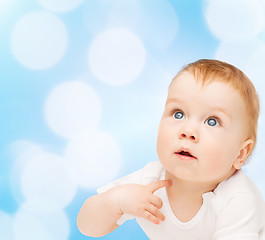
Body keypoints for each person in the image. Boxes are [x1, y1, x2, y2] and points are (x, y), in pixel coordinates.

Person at [77, 59, 265, 239]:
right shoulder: (150, 180)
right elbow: (86, 226)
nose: (188, 131)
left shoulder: (238, 198)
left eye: (212, 121)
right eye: (178, 114)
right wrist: (116, 201)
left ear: (241, 154)